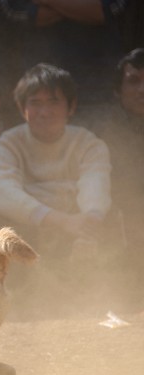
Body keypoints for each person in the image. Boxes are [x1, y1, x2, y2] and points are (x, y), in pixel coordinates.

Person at [0, 63, 114, 263]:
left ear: (71, 106)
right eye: (35, 103)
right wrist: (60, 221)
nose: (45, 112)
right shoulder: (5, 146)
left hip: (81, 229)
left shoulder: (89, 144)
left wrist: (91, 222)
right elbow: (1, 191)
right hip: (23, 235)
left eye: (54, 102)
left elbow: (95, 183)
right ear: (22, 108)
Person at [0, 0, 129, 122]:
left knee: (101, 143)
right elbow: (21, 12)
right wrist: (79, 6)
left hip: (99, 86)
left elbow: (103, 11)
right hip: (41, 85)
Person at [95, 48, 144, 301]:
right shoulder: (101, 134)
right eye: (134, 81)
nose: (142, 90)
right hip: (119, 227)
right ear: (118, 90)